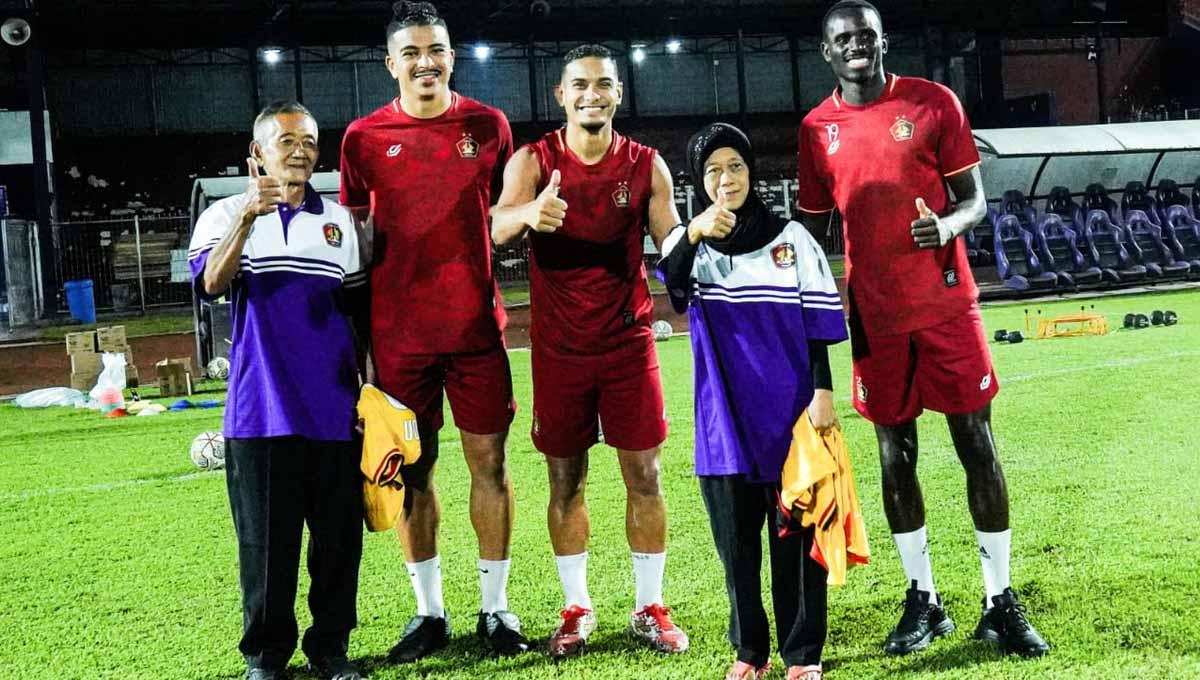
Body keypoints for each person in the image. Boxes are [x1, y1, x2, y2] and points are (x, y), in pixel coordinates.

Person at [795, 0, 1049, 658]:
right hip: (874, 319)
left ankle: (1000, 601)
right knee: (892, 455)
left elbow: (975, 201)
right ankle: (923, 600)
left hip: (944, 306)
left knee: (976, 443)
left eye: (866, 36)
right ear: (827, 52)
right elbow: (814, 235)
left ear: (883, 42)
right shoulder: (815, 128)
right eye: (843, 39)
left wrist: (947, 226)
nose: (856, 46)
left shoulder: (934, 104)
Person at [338, 0, 528, 661]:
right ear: (391, 63)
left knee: (491, 468)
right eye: (412, 52)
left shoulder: (488, 125)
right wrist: (361, 355)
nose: (426, 62)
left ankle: (496, 609)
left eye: (437, 49)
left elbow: (505, 219)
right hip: (399, 341)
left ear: (452, 56)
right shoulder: (362, 139)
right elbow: (354, 251)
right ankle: (429, 613)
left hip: (477, 331)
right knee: (411, 473)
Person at [490, 43, 688, 658]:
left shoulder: (646, 166)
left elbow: (672, 243)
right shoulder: (533, 160)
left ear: (618, 94)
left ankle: (649, 606)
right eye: (579, 85)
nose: (591, 95)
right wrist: (528, 211)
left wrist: (698, 234)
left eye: (603, 85)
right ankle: (576, 607)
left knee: (646, 475)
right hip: (558, 351)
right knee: (564, 478)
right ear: (561, 95)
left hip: (629, 344)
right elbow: (492, 228)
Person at [660, 123, 850, 680]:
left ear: (751, 173)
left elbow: (818, 325)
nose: (726, 179)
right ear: (699, 182)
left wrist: (822, 393)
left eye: (736, 167)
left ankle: (802, 654)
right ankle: (749, 653)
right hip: (723, 423)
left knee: (796, 542)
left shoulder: (792, 238)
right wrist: (693, 234)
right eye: (713, 170)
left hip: (790, 418)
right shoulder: (690, 248)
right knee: (737, 550)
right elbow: (669, 284)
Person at [188, 101, 366, 680]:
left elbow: (359, 317)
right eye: (285, 140)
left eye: (310, 141)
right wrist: (245, 216)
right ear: (257, 153)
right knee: (267, 550)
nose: (299, 150)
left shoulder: (339, 225)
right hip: (258, 415)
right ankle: (265, 660)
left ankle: (331, 651)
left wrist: (372, 396)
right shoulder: (221, 217)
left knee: (338, 546)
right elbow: (212, 285)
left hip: (335, 413)